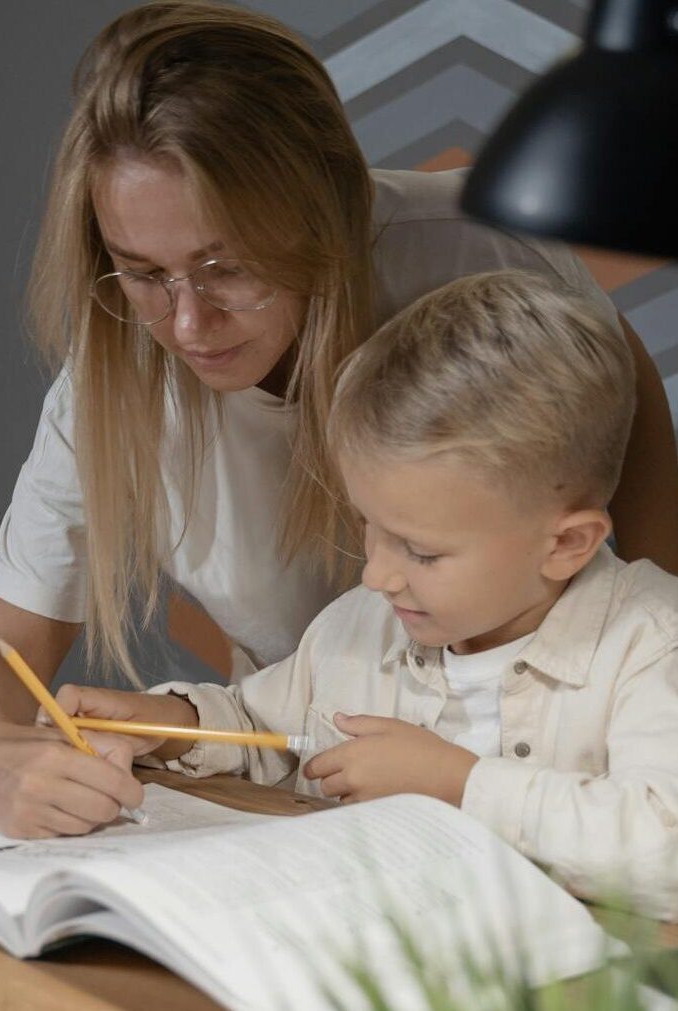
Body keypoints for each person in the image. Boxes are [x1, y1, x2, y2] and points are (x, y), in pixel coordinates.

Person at [0, 1, 678, 839]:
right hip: (328, 803)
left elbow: (618, 387)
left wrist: (650, 643)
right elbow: (259, 713)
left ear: (325, 217)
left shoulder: (476, 255)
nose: (185, 325)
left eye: (227, 267)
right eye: (141, 273)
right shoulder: (344, 631)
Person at [56, 270, 678, 918]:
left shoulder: (651, 644)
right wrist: (169, 727)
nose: (374, 573)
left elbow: (664, 848)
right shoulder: (362, 626)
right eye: (367, 525)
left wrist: (457, 784)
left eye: (421, 550)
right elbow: (260, 727)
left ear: (566, 544)